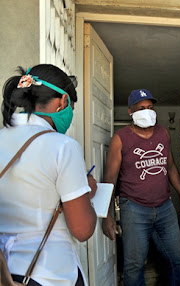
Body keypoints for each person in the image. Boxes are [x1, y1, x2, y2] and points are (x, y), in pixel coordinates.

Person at [0, 64, 98, 286]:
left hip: (4, 274)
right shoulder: (62, 146)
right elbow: (82, 230)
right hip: (49, 274)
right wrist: (88, 192)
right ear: (63, 101)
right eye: (71, 106)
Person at [101, 89, 180, 286]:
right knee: (134, 265)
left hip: (165, 208)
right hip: (134, 209)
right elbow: (110, 178)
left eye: (150, 107)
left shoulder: (163, 133)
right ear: (130, 112)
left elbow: (171, 167)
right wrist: (106, 214)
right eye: (141, 108)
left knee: (178, 260)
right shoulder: (121, 138)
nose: (147, 111)